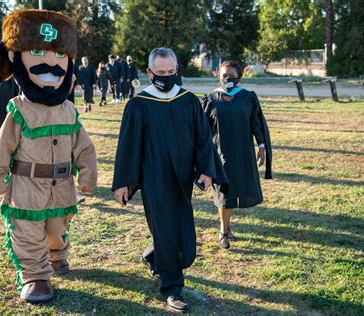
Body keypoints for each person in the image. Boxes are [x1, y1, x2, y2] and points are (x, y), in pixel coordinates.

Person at [0, 9, 97, 303]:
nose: (50, 63)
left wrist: (88, 173)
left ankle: (56, 254)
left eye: (57, 55)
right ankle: (35, 276)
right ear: (17, 60)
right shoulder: (19, 108)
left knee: (57, 228)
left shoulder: (68, 109)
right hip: (26, 187)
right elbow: (3, 145)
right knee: (27, 231)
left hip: (62, 187)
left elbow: (83, 145)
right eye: (38, 51)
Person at [112, 47, 228, 313]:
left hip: (183, 176)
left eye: (171, 71)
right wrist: (124, 182)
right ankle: (172, 288)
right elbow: (128, 146)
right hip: (153, 178)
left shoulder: (188, 100)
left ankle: (153, 256)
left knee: (175, 225)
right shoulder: (139, 104)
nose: (166, 76)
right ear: (150, 73)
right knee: (167, 229)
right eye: (160, 72)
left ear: (177, 70)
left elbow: (203, 139)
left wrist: (207, 170)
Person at [201, 60, 272, 249]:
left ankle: (226, 226)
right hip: (219, 153)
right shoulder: (211, 99)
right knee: (224, 192)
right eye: (224, 75)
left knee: (233, 191)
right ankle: (223, 232)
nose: (227, 79)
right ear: (218, 75)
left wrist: (262, 147)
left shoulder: (247, 97)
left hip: (242, 153)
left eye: (231, 76)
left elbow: (256, 123)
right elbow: (201, 129)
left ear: (239, 77)